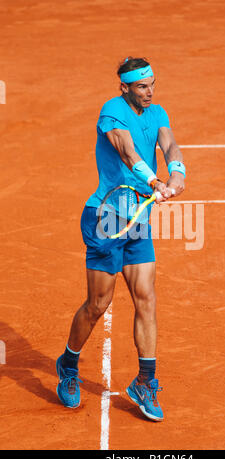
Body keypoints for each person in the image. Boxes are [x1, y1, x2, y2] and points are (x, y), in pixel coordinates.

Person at [56, 57, 186, 421]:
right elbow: (128, 153)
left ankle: (145, 381)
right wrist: (155, 182)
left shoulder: (157, 111)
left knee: (146, 298)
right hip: (105, 218)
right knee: (98, 304)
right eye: (142, 86)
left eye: (153, 84)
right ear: (124, 87)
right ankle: (68, 365)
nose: (150, 92)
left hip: (137, 218)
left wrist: (177, 172)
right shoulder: (111, 112)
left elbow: (170, 145)